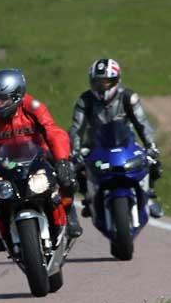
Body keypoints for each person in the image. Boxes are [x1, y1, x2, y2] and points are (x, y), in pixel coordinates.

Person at [0, 69, 82, 251]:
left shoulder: (33, 106)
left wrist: (62, 161)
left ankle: (69, 213)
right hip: (4, 162)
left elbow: (53, 132)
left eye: (2, 98)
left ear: (17, 95)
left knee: (67, 178)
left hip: (38, 156)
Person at [69, 58, 164, 218]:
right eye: (97, 82)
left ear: (116, 81)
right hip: (95, 145)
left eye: (106, 82)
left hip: (126, 143)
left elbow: (142, 123)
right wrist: (75, 151)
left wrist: (151, 145)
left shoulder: (128, 97)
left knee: (153, 163)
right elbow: (76, 128)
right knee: (76, 170)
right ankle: (89, 198)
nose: (101, 86)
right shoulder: (85, 100)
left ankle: (149, 196)